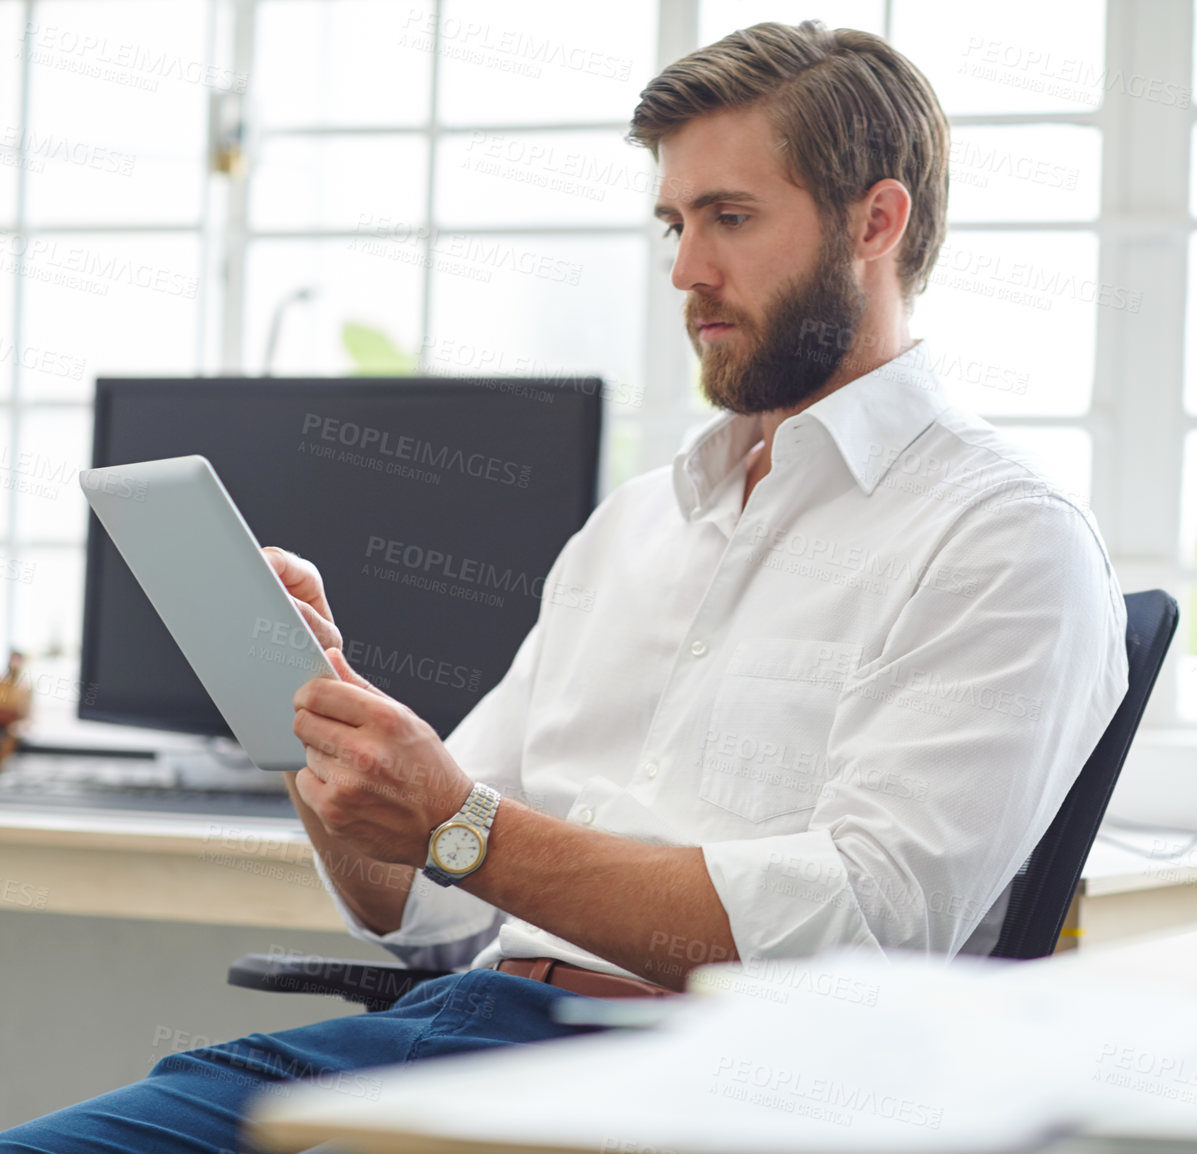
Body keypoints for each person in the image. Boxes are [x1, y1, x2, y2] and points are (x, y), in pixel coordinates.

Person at [1, 20, 1126, 1153]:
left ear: (875, 222)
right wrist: (311, 725)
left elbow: (861, 931)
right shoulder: (633, 527)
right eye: (675, 223)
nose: (687, 267)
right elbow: (431, 900)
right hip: (464, 1031)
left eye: (730, 218)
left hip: (718, 1088)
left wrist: (460, 823)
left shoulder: (1004, 541)